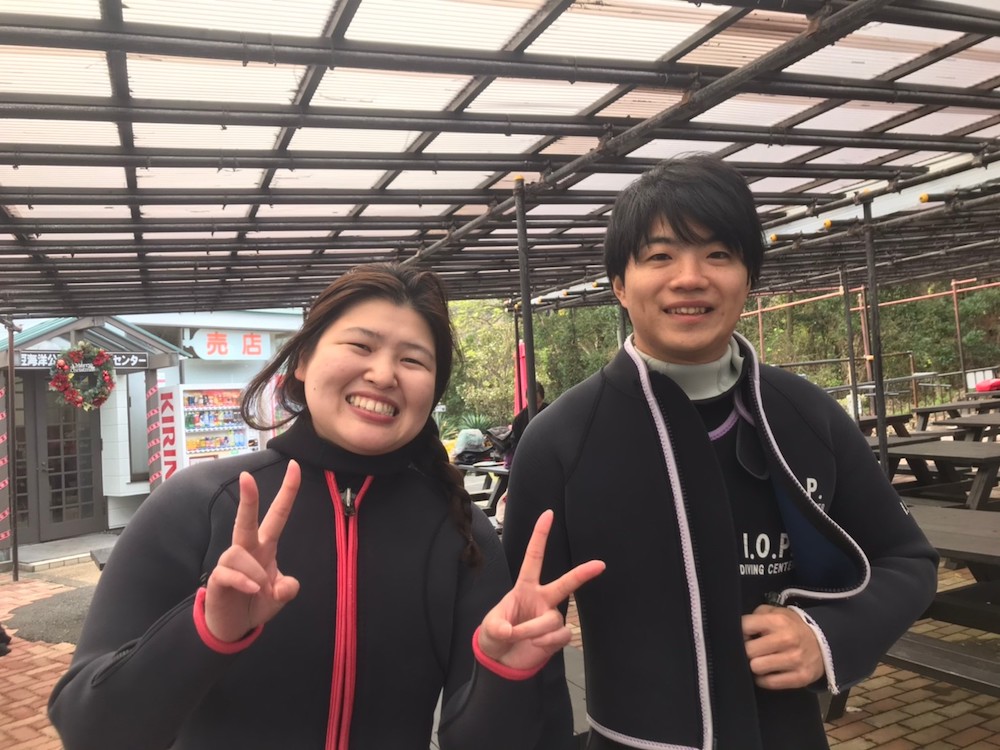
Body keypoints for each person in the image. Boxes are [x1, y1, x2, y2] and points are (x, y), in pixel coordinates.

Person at [49, 263, 604, 750]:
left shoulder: (461, 533)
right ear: (303, 361)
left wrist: (502, 675)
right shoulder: (200, 503)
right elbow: (89, 729)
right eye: (360, 346)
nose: (383, 374)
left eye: (413, 360)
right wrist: (206, 631)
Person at [502, 154, 939, 750]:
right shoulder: (560, 439)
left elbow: (907, 559)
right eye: (660, 256)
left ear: (748, 278)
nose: (690, 278)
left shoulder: (805, 415)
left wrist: (826, 634)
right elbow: (518, 631)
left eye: (718, 254)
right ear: (620, 285)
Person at [509, 382, 549, 460]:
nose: (535, 406)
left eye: (538, 402)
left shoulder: (550, 412)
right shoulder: (519, 419)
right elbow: (515, 442)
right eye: (532, 402)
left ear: (542, 399)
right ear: (526, 399)